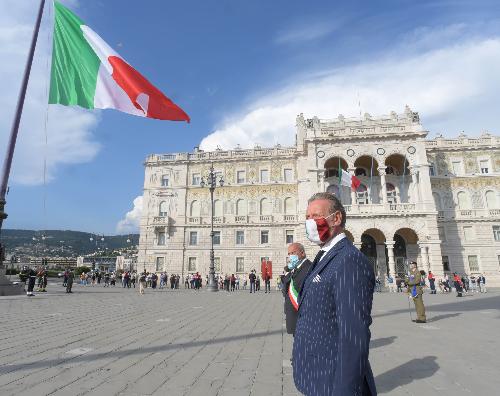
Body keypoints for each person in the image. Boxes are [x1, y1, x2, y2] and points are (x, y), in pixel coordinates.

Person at [293, 192, 376, 396]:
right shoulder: (325, 255)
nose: (310, 223)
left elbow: (353, 336)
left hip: (331, 381)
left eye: (315, 216)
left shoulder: (349, 260)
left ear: (336, 218)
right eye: (307, 217)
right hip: (316, 375)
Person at [282, 243, 312, 336]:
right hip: (294, 315)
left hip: (303, 318)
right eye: (289, 254)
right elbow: (285, 291)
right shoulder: (293, 269)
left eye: (293, 253)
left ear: (302, 253)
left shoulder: (309, 268)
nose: (291, 256)